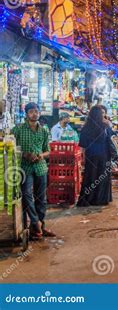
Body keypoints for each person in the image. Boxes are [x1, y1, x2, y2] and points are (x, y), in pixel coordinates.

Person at [12, 102, 55, 239]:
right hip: (25, 167)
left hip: (40, 167)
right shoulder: (18, 129)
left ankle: (40, 225)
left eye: (36, 111)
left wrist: (41, 156)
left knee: (41, 198)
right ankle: (35, 222)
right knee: (27, 195)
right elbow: (11, 149)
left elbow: (48, 151)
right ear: (26, 114)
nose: (34, 114)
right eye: (31, 111)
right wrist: (25, 154)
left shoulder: (44, 130)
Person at [77, 105, 115, 207]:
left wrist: (83, 158)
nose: (104, 115)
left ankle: (88, 199)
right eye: (102, 113)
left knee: (90, 177)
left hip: (91, 155)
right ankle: (100, 199)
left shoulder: (86, 127)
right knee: (102, 177)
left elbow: (82, 145)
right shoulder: (105, 126)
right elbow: (111, 139)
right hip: (103, 155)